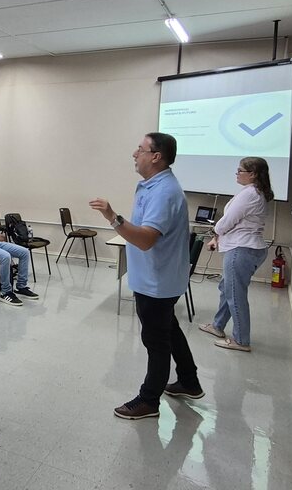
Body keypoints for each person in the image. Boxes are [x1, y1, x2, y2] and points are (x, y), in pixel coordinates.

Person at [90, 132, 202, 420]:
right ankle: (189, 381)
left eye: (140, 149)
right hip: (156, 277)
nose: (134, 153)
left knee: (156, 341)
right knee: (169, 329)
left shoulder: (165, 192)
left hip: (157, 282)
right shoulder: (151, 186)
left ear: (156, 156)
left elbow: (145, 240)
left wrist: (113, 217)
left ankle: (149, 400)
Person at [199, 157, 274, 352]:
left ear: (253, 174)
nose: (237, 173)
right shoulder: (254, 192)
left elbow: (227, 221)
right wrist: (219, 237)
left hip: (241, 250)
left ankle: (241, 340)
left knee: (235, 295)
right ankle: (218, 326)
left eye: (240, 170)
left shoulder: (249, 194)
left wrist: (216, 232)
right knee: (227, 288)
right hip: (248, 248)